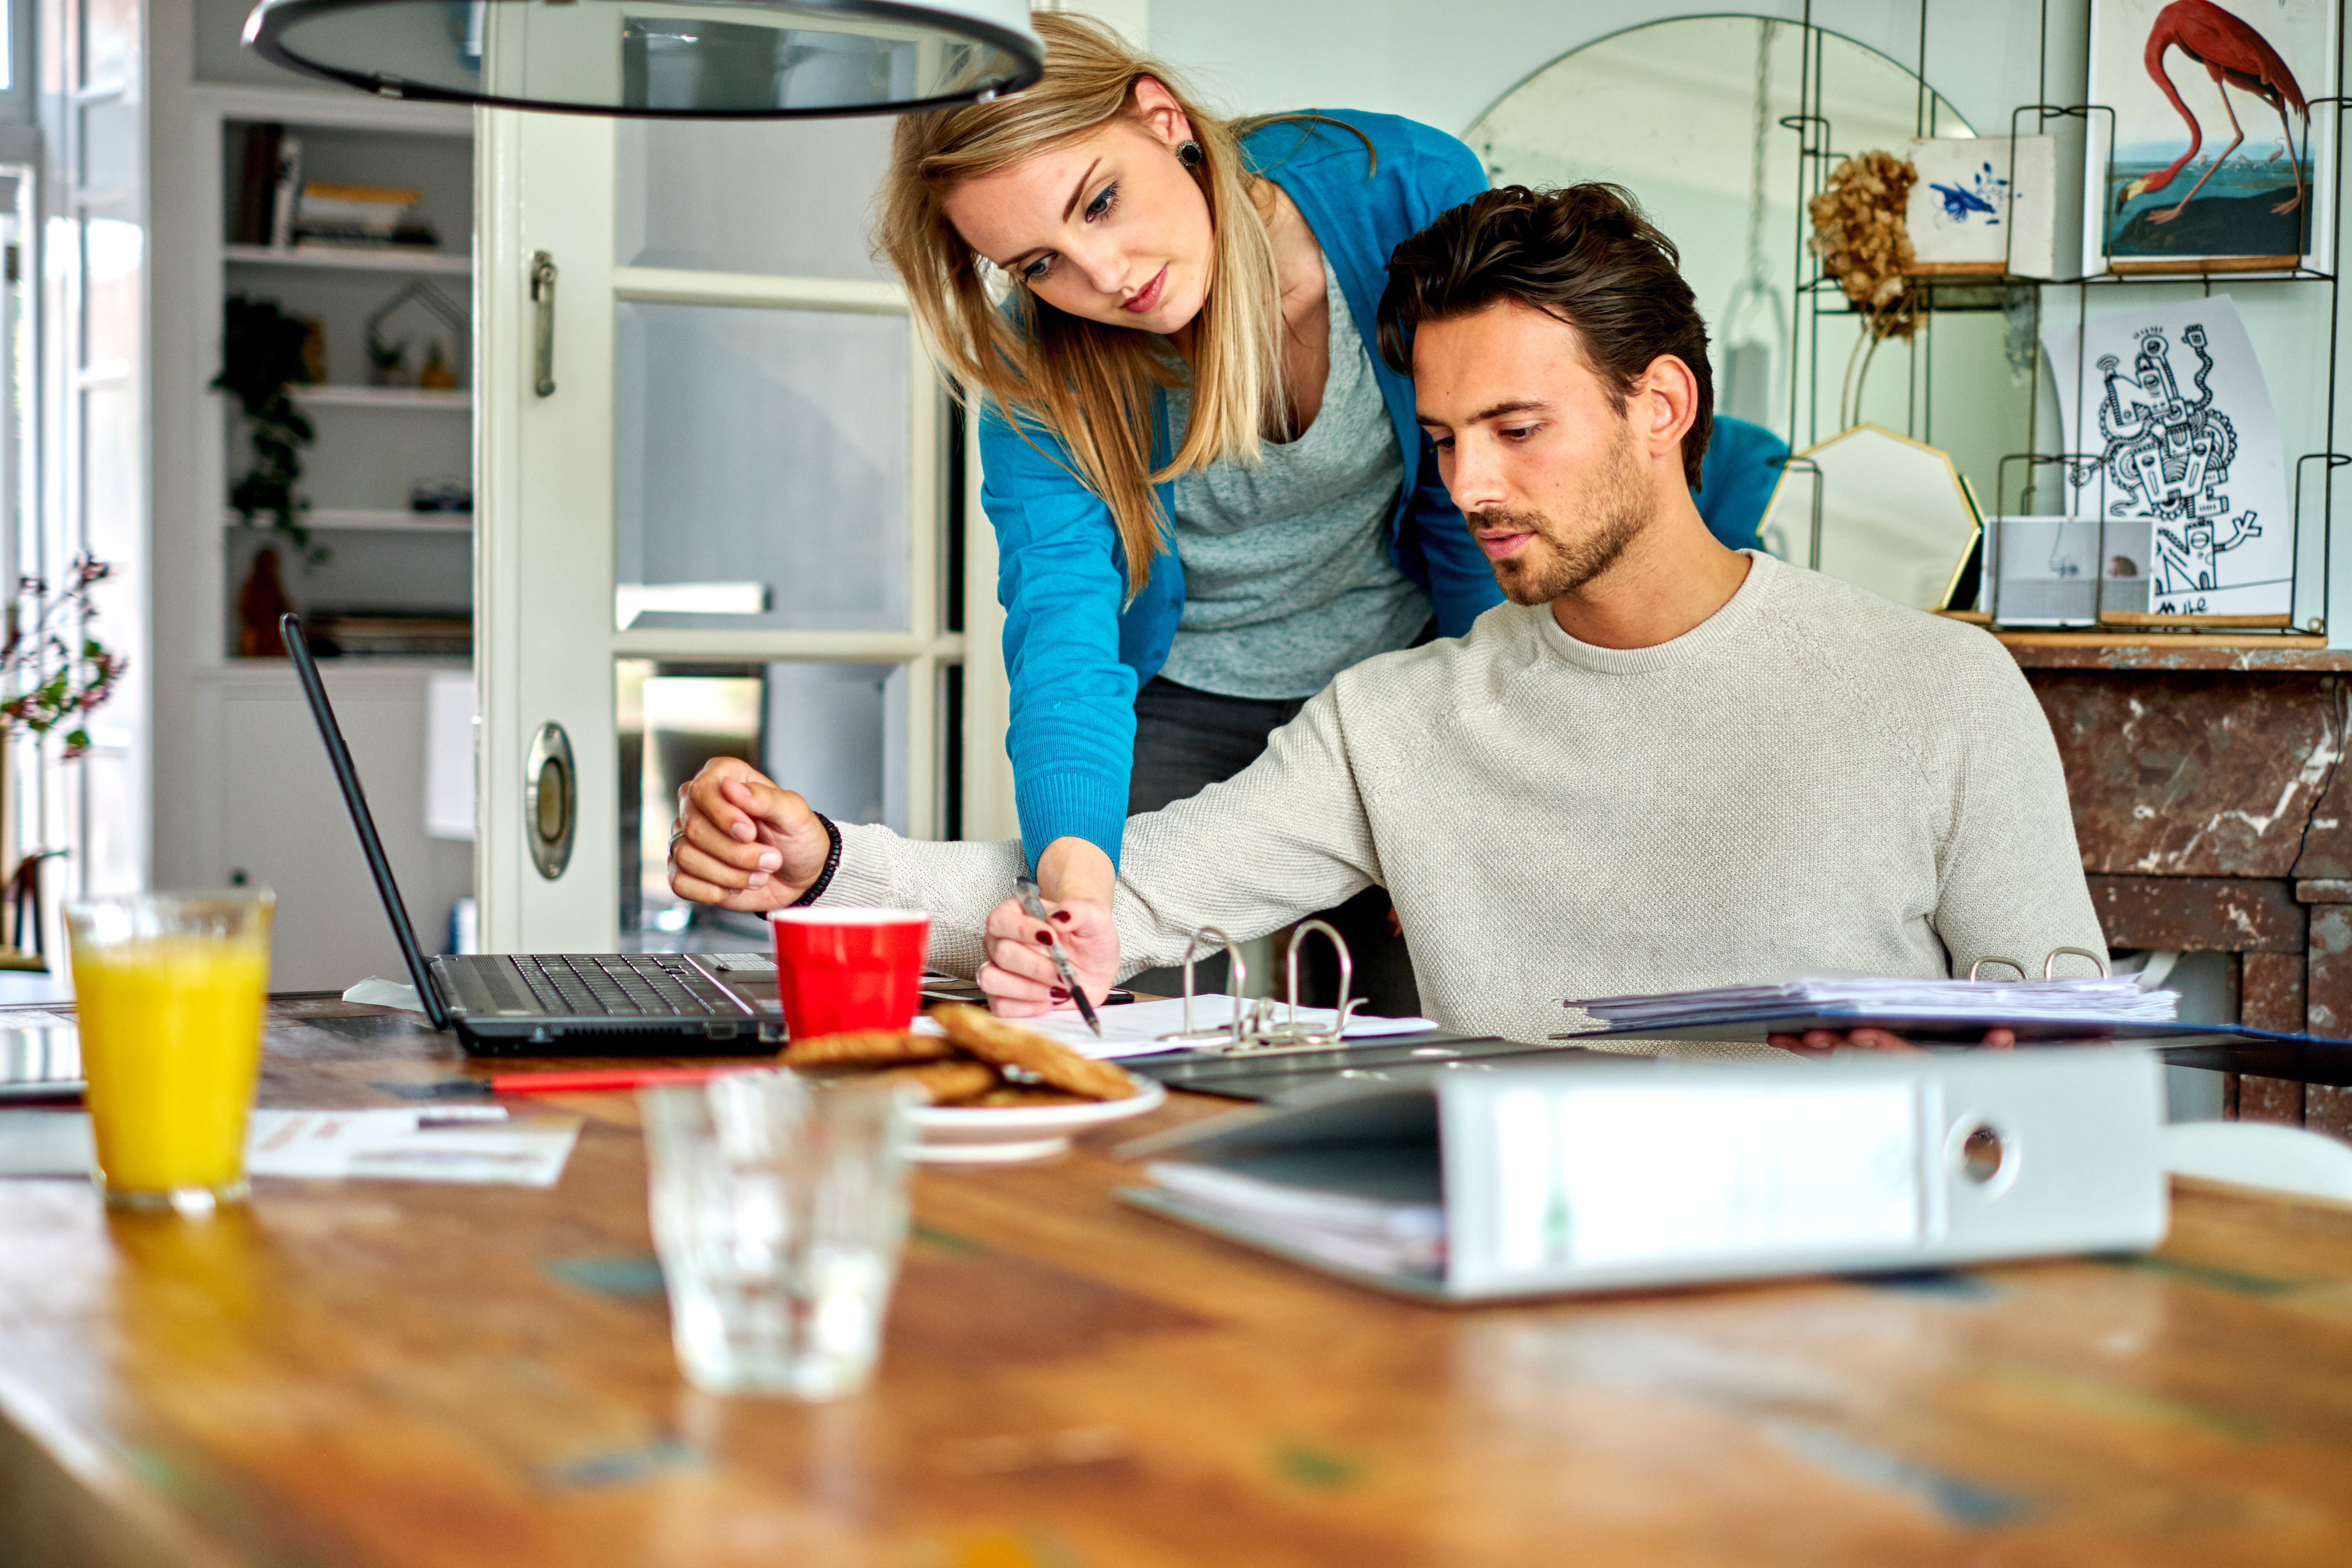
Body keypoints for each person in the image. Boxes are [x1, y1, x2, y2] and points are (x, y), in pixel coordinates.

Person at [672, 184, 2103, 1051]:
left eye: (1519, 427)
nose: (1470, 485)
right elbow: (1132, 892)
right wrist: (824, 865)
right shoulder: (1400, 719)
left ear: (1661, 407)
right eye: (1441, 437)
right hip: (1515, 1311)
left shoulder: (1939, 694)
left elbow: (2066, 1055)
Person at [874, 15, 1501, 974]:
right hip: (1183, 692)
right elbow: (1064, 630)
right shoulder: (1038, 367)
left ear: (1161, 117)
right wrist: (1073, 903)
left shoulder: (1405, 195)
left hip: (1399, 670)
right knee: (1136, 985)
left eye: (1101, 201)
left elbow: (1471, 501)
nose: (1105, 276)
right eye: (1038, 264)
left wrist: (1480, 751)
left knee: (1429, 994)